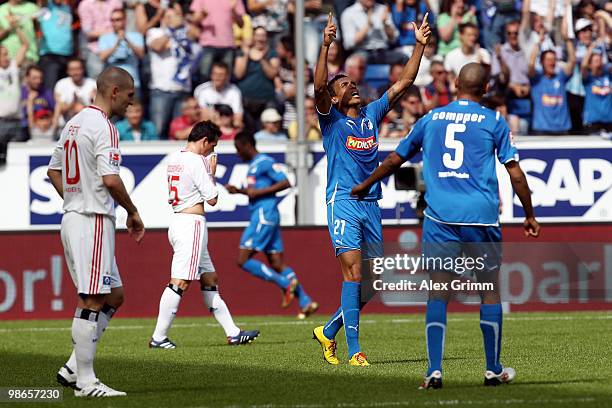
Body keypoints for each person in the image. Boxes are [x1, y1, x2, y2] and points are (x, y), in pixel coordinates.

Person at [351, 63, 540, 388]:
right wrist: (529, 214)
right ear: (484, 91)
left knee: (439, 291)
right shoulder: (494, 120)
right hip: (480, 217)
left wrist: (365, 184)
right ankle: (493, 369)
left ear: (455, 85)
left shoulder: (431, 119)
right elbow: (516, 173)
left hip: (440, 218)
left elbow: (396, 159)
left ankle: (434, 371)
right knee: (489, 290)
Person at [311, 12, 430, 366]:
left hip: (371, 203)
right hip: (343, 201)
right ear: (333, 99)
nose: (352, 86)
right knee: (354, 274)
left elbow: (404, 83)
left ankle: (328, 330)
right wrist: (325, 45)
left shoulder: (370, 115)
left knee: (373, 284)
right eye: (344, 85)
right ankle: (355, 350)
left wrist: (419, 46)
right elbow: (318, 87)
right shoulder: (331, 121)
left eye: (352, 82)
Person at [49, 66, 144, 397]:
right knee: (92, 298)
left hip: (74, 217)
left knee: (114, 295)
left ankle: (73, 367)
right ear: (114, 92)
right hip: (92, 220)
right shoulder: (105, 127)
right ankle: (85, 383)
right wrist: (132, 211)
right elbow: (111, 179)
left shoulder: (74, 122)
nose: (132, 103)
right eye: (130, 95)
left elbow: (53, 170)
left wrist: (74, 198)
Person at [150, 121, 260, 348]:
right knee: (179, 281)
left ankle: (233, 332)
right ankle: (158, 337)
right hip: (192, 224)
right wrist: (211, 171)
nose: (212, 151)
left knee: (210, 278)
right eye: (212, 146)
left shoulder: (175, 157)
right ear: (204, 141)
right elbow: (212, 198)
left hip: (178, 220)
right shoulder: (197, 161)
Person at [226, 131, 319, 319]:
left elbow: (285, 182)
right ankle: (305, 301)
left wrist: (258, 192)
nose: (237, 153)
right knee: (277, 263)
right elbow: (255, 192)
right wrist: (240, 191)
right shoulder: (253, 166)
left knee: (243, 260)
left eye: (238, 149)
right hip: (266, 214)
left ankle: (285, 284)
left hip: (263, 216)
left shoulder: (264, 162)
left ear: (246, 145)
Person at [147, 6, 200, 138]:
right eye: (169, 17)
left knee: (180, 133)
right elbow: (157, 46)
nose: (173, 20)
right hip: (161, 90)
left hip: (182, 90)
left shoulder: (184, 32)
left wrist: (184, 24)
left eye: (175, 17)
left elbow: (197, 35)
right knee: (158, 130)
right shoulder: (155, 32)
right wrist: (171, 30)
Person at [528, 33, 576, 134]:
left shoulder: (561, 78)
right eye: (548, 60)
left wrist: (567, 40)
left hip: (562, 130)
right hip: (542, 131)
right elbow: (531, 64)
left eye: (554, 59)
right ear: (542, 62)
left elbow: (572, 62)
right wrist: (538, 44)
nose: (552, 62)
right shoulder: (536, 80)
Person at [189, 0, 245, 81]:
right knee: (204, 77)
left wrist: (234, 11)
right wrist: (203, 14)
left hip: (228, 45)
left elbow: (241, 24)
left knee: (225, 80)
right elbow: (194, 21)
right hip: (208, 44)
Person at [340, 0, 404, 65]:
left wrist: (385, 24)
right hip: (362, 51)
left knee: (404, 58)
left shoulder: (383, 9)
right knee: (356, 62)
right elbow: (348, 44)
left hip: (383, 51)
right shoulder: (348, 13)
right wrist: (368, 25)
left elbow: (394, 39)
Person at [98, 9, 145, 96]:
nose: (114, 23)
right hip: (112, 85)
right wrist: (116, 43)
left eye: (118, 19)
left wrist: (127, 40)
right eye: (112, 20)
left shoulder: (136, 36)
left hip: (132, 83)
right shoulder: (104, 38)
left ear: (125, 20)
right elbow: (102, 57)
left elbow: (141, 55)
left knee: (135, 109)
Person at [0, 27, 28, 161]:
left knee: (16, 161)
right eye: (4, 54)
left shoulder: (13, 67)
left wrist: (16, 27)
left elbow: (24, 45)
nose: (8, 56)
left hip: (16, 122)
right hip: (1, 122)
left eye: (7, 53)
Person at [194, 62, 244, 129]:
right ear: (211, 75)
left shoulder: (234, 92)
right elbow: (201, 116)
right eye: (215, 74)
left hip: (227, 128)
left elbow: (237, 119)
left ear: (227, 77)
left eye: (221, 75)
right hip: (207, 127)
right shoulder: (201, 90)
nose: (217, 77)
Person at [38, 0, 74, 90]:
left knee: (65, 90)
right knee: (50, 88)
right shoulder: (46, 6)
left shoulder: (67, 8)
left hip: (67, 54)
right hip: (50, 55)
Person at [54, 58, 98, 125]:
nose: (75, 72)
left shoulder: (93, 84)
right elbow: (60, 109)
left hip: (88, 124)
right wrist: (73, 104)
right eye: (72, 70)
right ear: (67, 71)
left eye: (78, 69)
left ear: (83, 69)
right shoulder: (61, 84)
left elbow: (99, 111)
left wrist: (91, 102)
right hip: (66, 125)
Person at [581, 46, 611, 132]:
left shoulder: (608, 77)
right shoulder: (588, 79)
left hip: (609, 121)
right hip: (592, 122)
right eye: (596, 61)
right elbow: (583, 66)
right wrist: (591, 47)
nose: (599, 63)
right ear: (590, 65)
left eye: (600, 60)